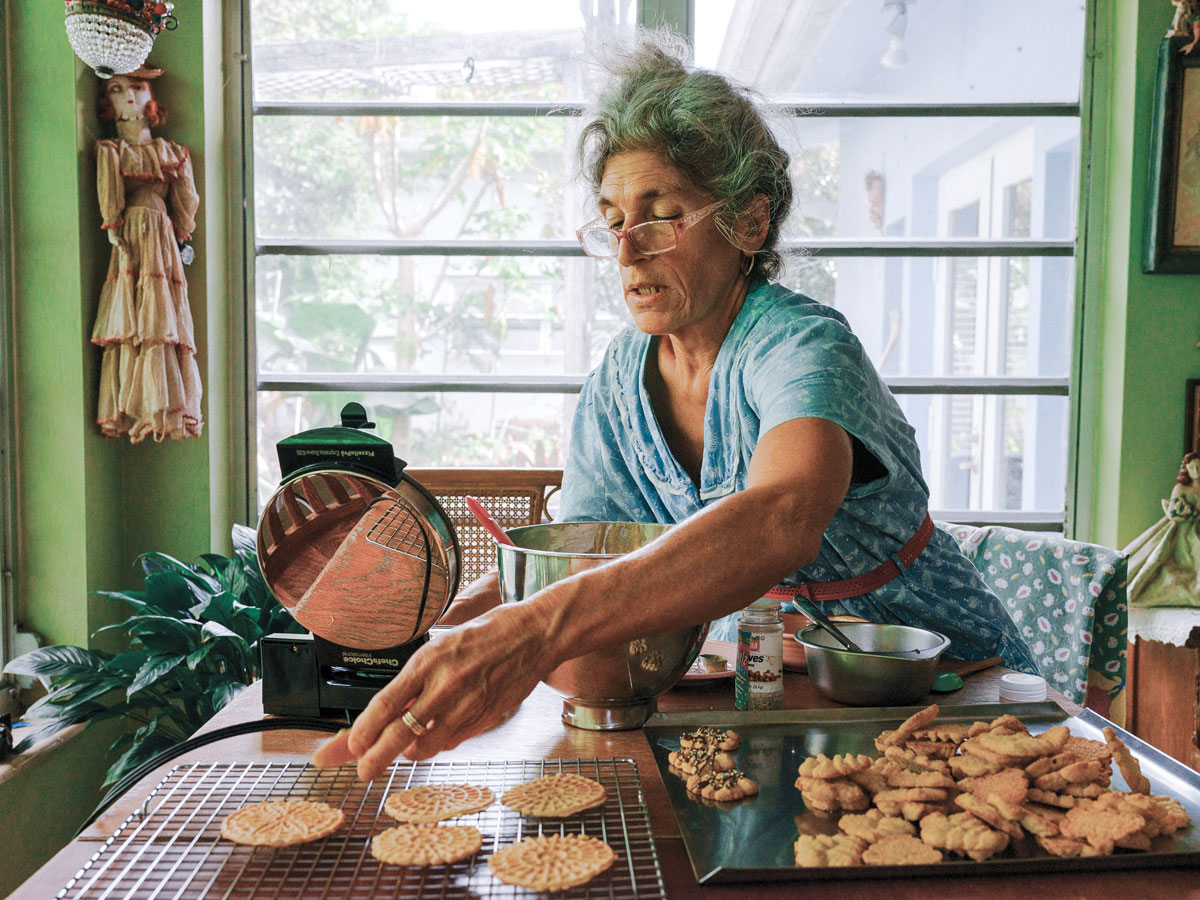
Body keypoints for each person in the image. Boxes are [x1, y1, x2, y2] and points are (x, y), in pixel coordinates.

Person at [313, 33, 1037, 781]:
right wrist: (421, 645)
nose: (628, 253)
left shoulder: (803, 349)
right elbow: (574, 563)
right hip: (760, 692)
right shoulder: (619, 383)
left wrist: (531, 629)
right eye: (613, 219)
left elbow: (781, 516)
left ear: (748, 225)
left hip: (942, 691)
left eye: (659, 216)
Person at [91, 66, 203, 443]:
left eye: (136, 88)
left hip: (163, 240)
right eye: (116, 89)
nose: (128, 97)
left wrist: (182, 235)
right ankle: (133, 406)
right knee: (134, 321)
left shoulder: (170, 153)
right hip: (133, 236)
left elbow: (184, 203)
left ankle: (163, 406)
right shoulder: (112, 151)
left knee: (161, 322)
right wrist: (115, 232)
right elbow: (111, 198)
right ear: (107, 100)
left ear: (150, 96)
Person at [1124, 452, 1200, 607]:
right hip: (1181, 532)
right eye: (1192, 468)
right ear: (1186, 469)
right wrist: (1189, 515)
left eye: (1199, 467)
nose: (1196, 471)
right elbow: (1173, 514)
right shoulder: (1181, 488)